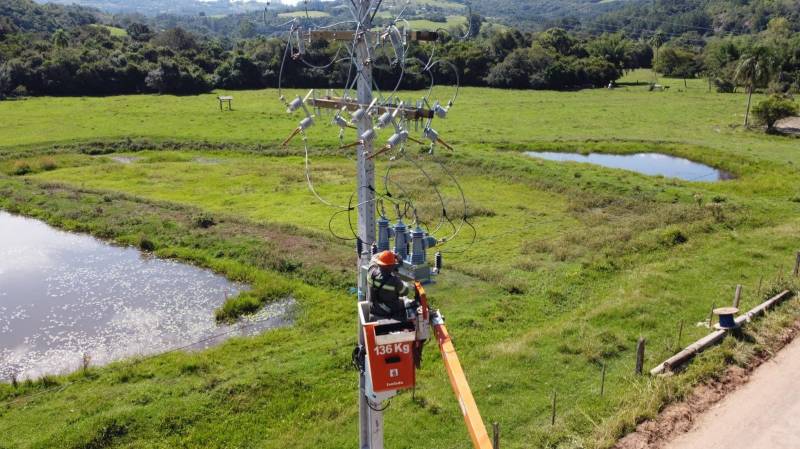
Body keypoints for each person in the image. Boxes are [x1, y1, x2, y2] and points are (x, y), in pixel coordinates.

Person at [368, 250, 410, 321]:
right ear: (392, 266)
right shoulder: (395, 281)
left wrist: (386, 255)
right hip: (391, 314)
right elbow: (405, 291)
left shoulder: (371, 272)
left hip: (375, 311)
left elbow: (373, 258)